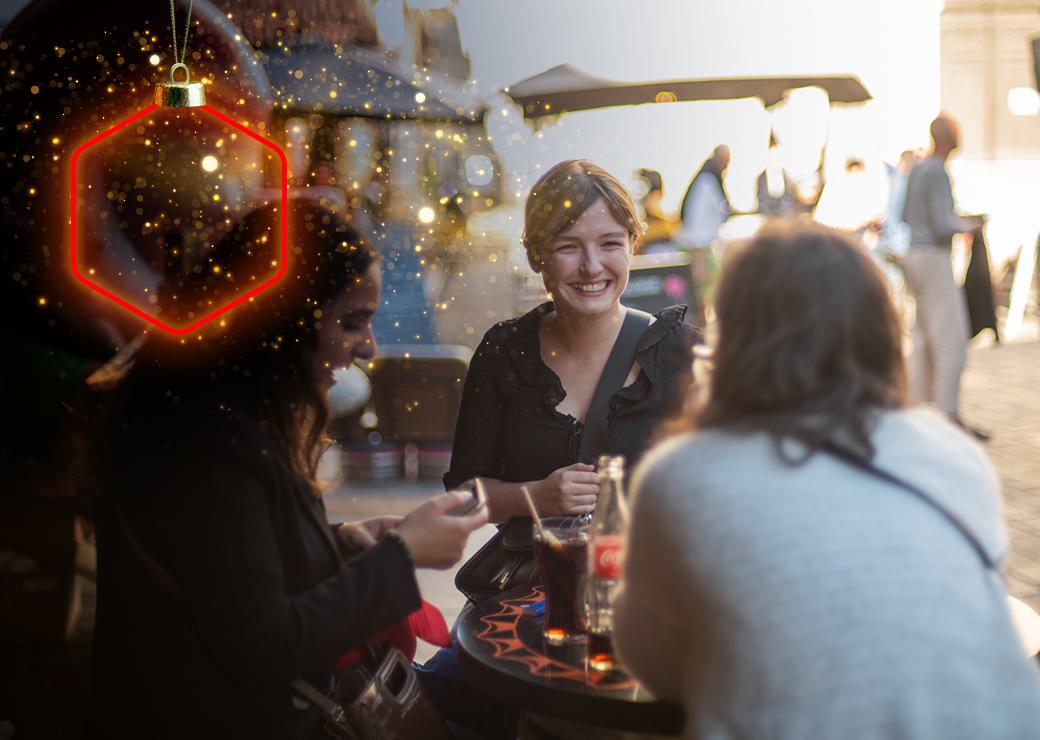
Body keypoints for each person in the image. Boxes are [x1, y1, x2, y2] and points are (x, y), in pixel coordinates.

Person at [613, 222, 1040, 739]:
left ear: (736, 335)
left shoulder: (683, 474)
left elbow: (651, 662)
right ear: (880, 332)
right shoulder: (953, 453)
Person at [85, 201, 489, 739]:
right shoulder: (202, 440)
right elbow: (266, 646)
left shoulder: (217, 414)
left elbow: (230, 562)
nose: (368, 348)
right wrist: (403, 555)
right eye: (350, 322)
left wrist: (342, 541)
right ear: (280, 319)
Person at [444, 159, 698, 518]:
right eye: (568, 247)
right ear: (535, 256)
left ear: (632, 246)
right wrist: (535, 497)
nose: (591, 266)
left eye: (610, 243)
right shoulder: (504, 352)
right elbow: (462, 495)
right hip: (540, 574)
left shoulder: (682, 353)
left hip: (649, 574)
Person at [901, 114, 985, 435]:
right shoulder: (936, 172)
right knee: (951, 338)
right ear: (948, 136)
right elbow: (941, 223)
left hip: (914, 255)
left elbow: (907, 215)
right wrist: (969, 225)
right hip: (933, 257)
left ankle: (920, 411)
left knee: (922, 338)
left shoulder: (918, 169)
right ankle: (948, 415)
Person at [678, 145, 731, 327]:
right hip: (698, 248)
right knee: (706, 291)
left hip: (704, 247)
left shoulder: (711, 179)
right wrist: (698, 260)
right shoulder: (706, 181)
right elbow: (696, 223)